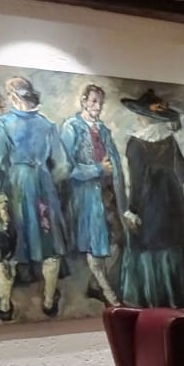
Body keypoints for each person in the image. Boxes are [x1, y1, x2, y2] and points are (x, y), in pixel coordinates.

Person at [0, 75, 69, 320]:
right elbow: (63, 166)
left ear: (13, 97)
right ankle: (49, 301)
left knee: (9, 245)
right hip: (43, 189)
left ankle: (4, 304)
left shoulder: (5, 123)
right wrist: (45, 181)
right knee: (49, 246)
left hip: (15, 188)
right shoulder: (47, 125)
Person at [119, 88, 184, 308]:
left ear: (145, 117)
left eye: (140, 114)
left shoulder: (135, 144)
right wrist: (169, 185)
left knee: (150, 249)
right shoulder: (169, 140)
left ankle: (155, 302)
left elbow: (137, 183)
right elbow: (182, 172)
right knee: (175, 248)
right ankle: (177, 300)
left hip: (149, 208)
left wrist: (132, 210)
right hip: (174, 206)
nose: (138, 118)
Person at [60, 84, 126, 306]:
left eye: (100, 103)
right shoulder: (71, 127)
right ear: (84, 101)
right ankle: (108, 294)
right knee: (95, 243)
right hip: (86, 195)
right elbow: (66, 169)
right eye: (94, 101)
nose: (98, 107)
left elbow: (115, 162)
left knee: (119, 240)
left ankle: (95, 283)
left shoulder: (103, 130)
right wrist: (98, 169)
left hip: (107, 193)